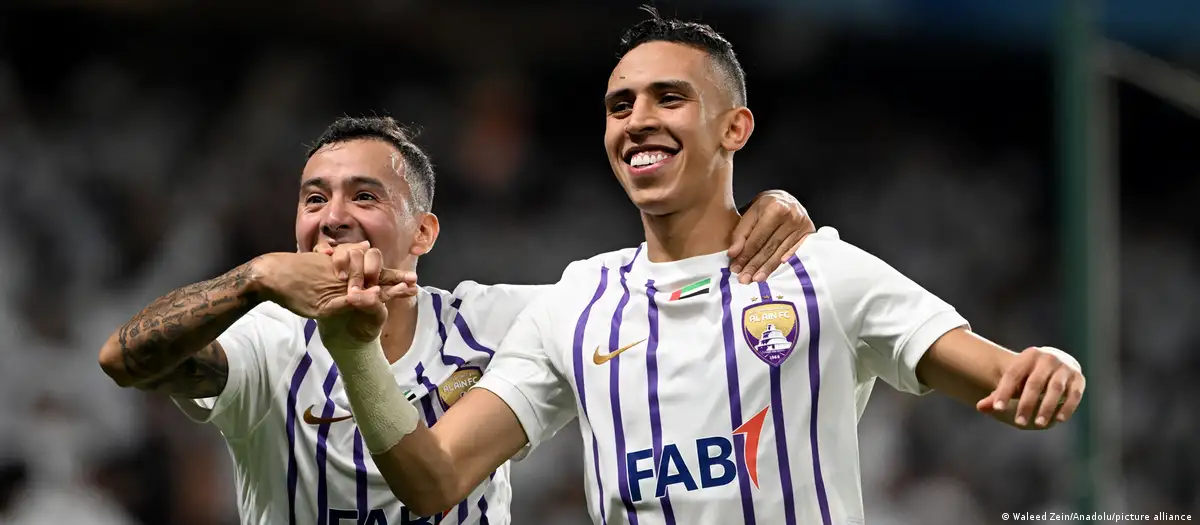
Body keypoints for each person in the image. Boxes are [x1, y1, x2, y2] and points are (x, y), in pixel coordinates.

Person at [316, 10, 1088, 525]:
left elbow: (1004, 377)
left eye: (669, 98)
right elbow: (433, 479)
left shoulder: (824, 272)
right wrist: (355, 353)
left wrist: (1051, 369)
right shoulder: (576, 302)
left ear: (734, 127)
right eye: (620, 105)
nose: (638, 120)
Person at [97, 115, 816, 525]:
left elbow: (668, 285)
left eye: (364, 196)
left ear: (423, 233)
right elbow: (124, 360)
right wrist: (251, 278)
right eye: (314, 199)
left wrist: (768, 212)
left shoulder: (499, 320)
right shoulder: (268, 341)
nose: (333, 217)